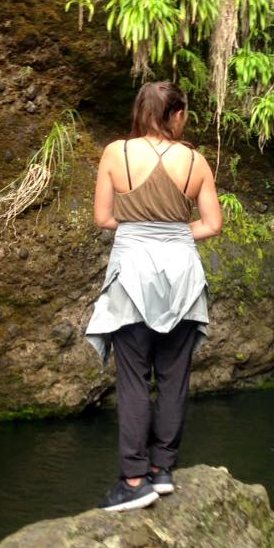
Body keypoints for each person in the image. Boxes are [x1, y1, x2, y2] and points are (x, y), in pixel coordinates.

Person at [84, 81, 222, 512]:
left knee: (133, 380)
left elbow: (103, 217)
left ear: (141, 112)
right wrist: (175, 234)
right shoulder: (196, 161)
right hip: (182, 274)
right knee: (174, 378)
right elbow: (212, 224)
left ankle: (133, 479)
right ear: (177, 115)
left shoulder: (116, 153)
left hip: (133, 277)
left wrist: (141, 230)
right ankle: (162, 470)